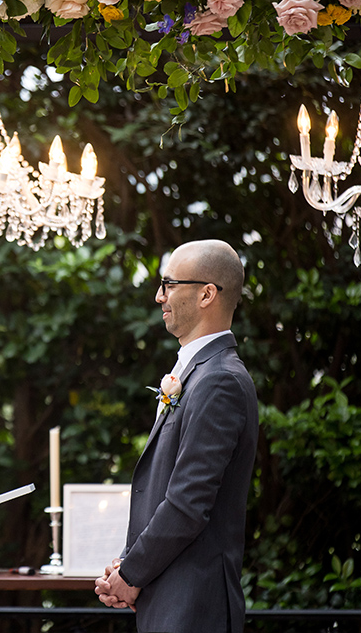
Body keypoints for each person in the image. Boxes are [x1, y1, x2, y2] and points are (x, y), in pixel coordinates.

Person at [94, 239, 259, 633]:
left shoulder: (219, 380)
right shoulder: (198, 374)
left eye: (169, 284)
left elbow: (188, 502)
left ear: (206, 294)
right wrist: (128, 566)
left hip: (194, 604)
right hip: (169, 597)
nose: (158, 296)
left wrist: (130, 574)